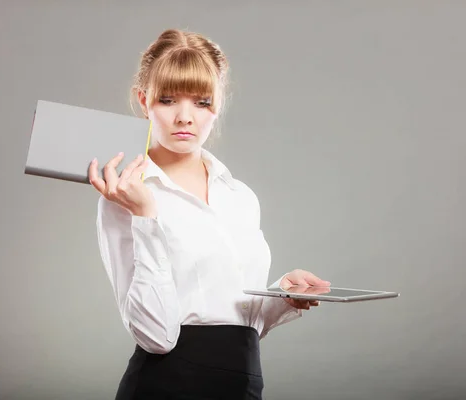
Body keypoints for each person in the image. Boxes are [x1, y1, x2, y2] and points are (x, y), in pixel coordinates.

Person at [88, 28, 330, 400]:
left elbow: (240, 324)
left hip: (243, 384)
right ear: (144, 101)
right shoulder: (125, 194)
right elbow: (156, 336)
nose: (185, 117)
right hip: (165, 386)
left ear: (217, 106)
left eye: (201, 102)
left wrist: (283, 296)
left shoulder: (239, 196)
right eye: (168, 100)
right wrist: (146, 215)